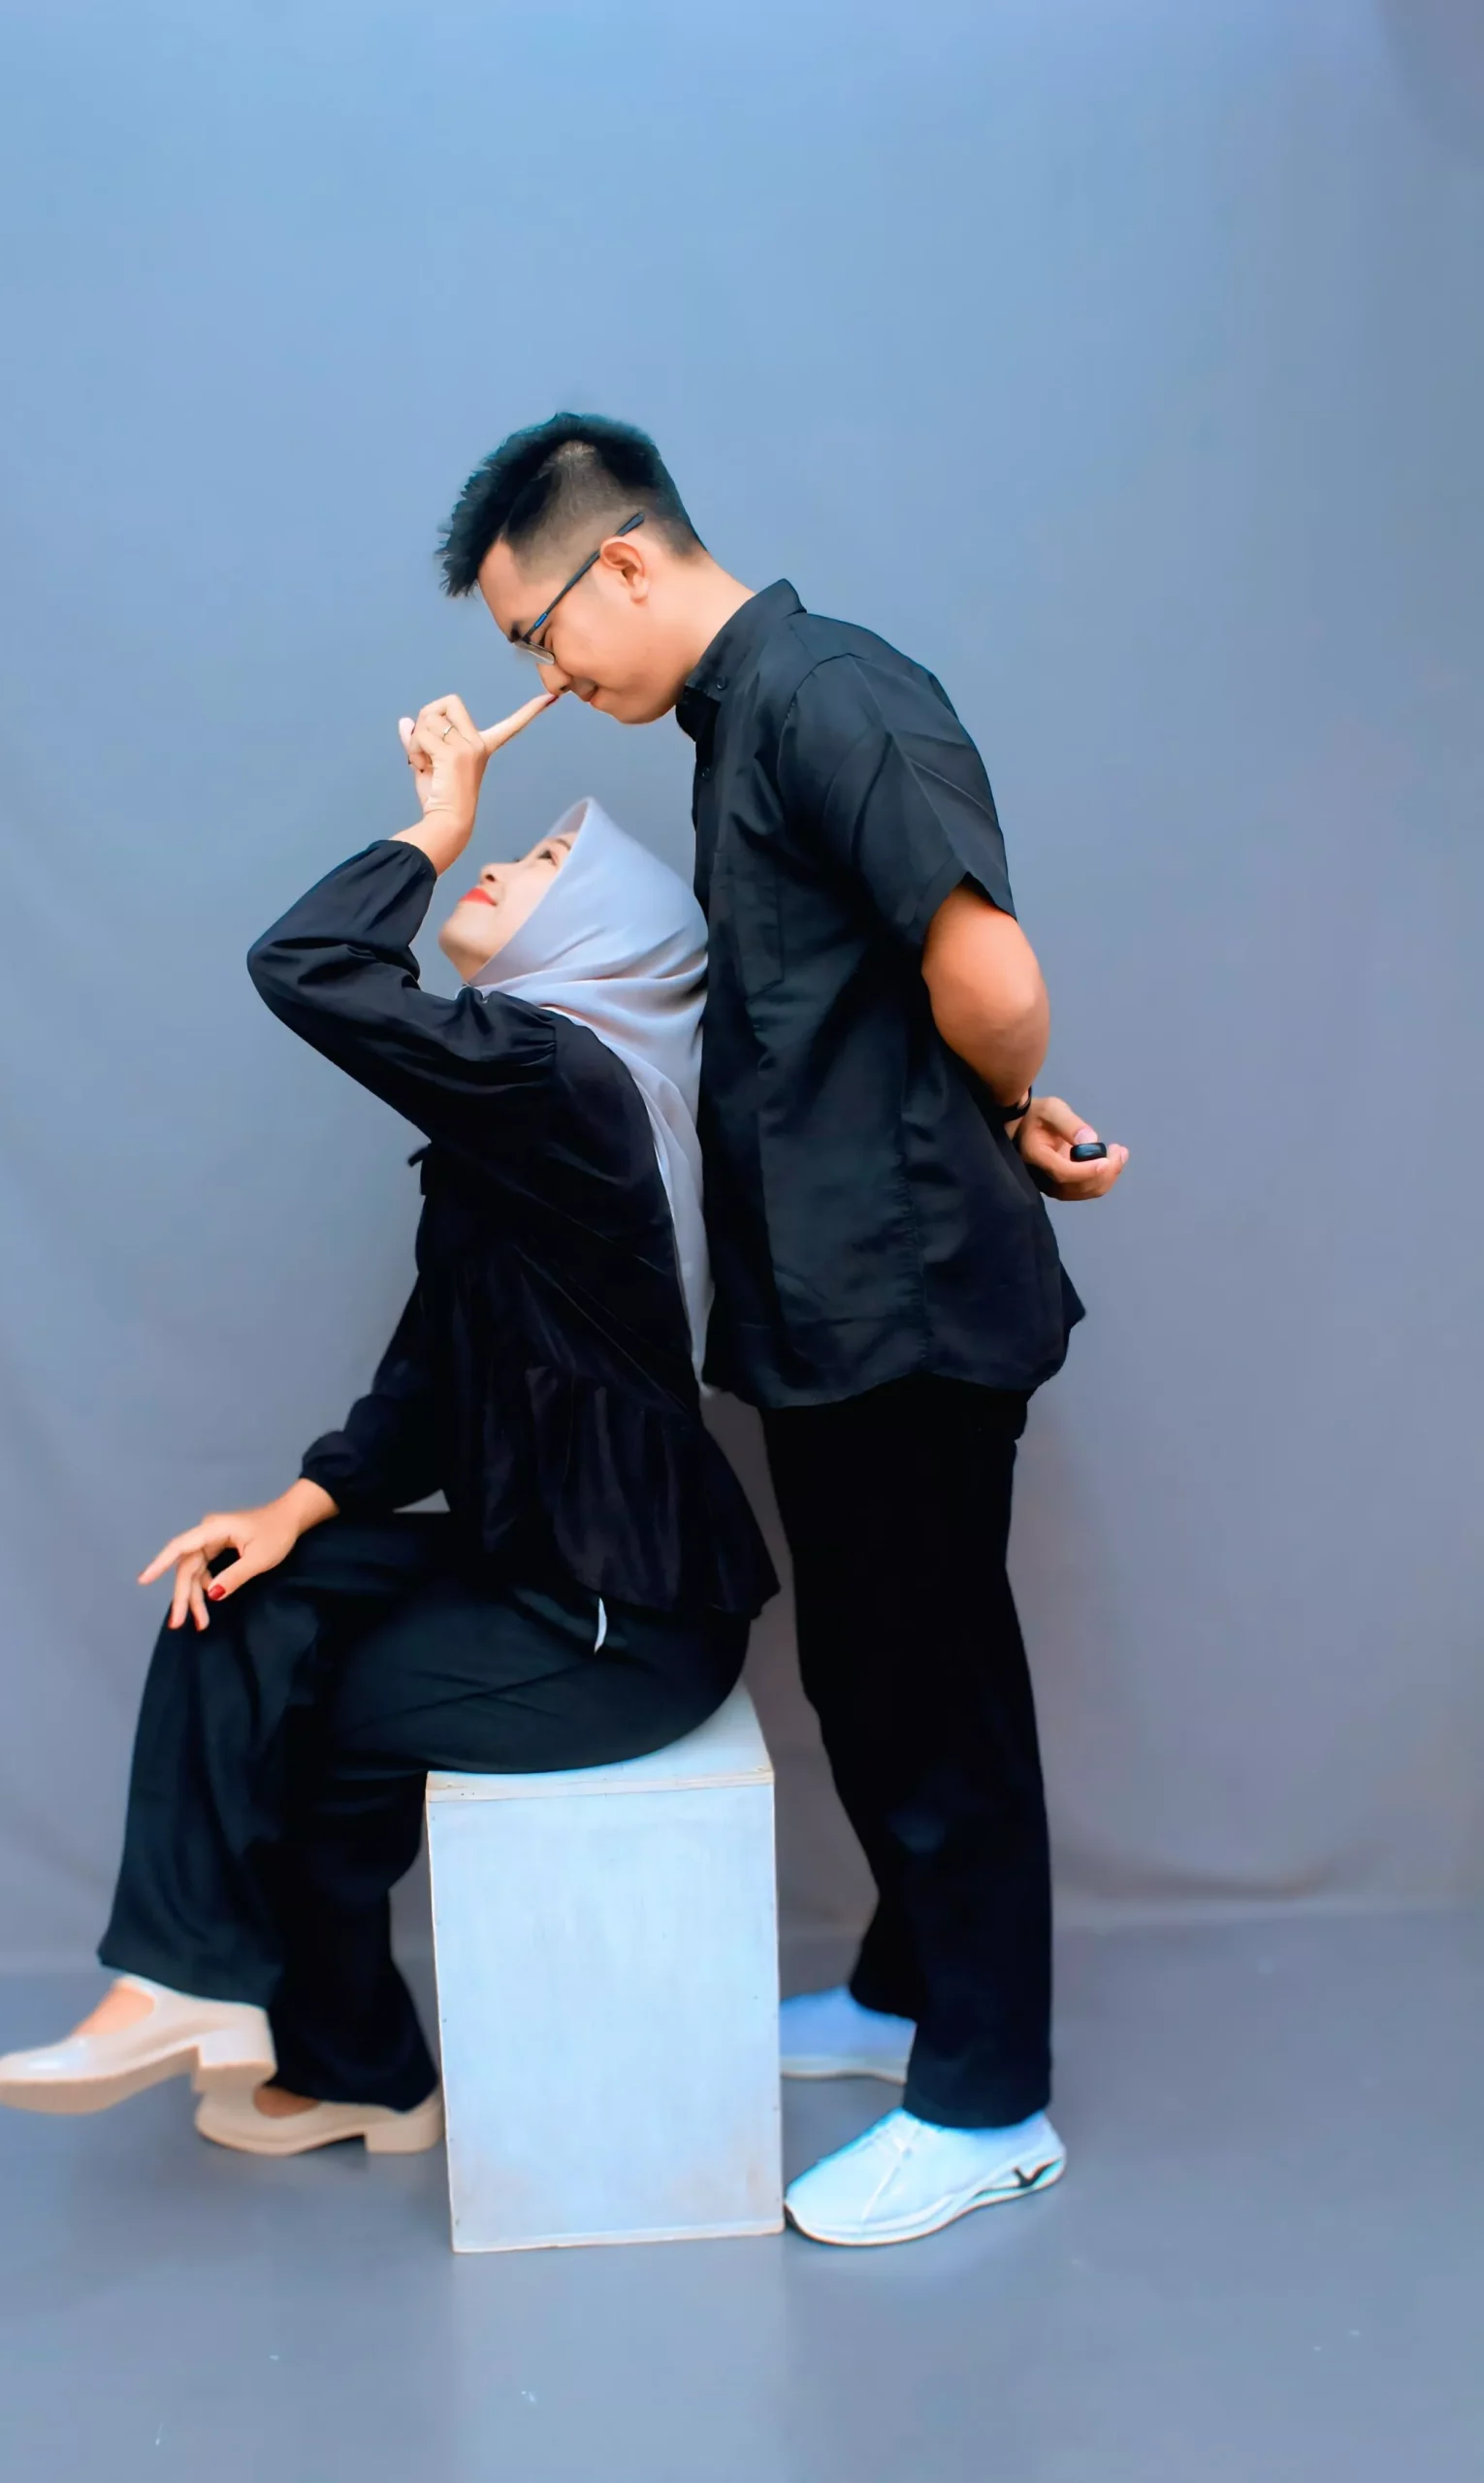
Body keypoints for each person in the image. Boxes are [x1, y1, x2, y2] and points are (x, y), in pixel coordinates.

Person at [437, 415, 1131, 2247]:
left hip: (903, 1302)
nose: (544, 680)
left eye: (538, 636)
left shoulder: (829, 692)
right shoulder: (735, 718)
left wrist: (1006, 1098)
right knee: (866, 1676)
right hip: (834, 1302)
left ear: (625, 562)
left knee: (933, 1690)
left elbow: (989, 970)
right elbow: (866, 1006)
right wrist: (993, 1112)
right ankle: (908, 1990)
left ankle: (988, 2102)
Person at [0, 691, 776, 2155]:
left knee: (315, 1718)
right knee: (237, 1601)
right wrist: (299, 1505)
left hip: (624, 1624)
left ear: (603, 934)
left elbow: (306, 966)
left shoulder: (564, 1080)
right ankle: (205, 1996)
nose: (505, 867)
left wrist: (437, 824)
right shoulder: (536, 1104)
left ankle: (342, 2059)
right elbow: (433, 1370)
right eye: (513, 849)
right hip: (529, 1568)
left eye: (547, 863)